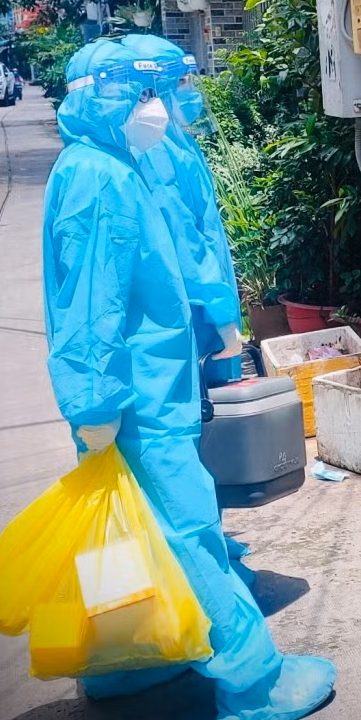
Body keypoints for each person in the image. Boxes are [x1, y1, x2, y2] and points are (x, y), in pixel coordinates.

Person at [42, 38, 335, 720]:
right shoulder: (100, 178)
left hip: (134, 389)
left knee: (127, 533)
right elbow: (90, 308)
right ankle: (254, 683)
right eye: (138, 95)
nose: (156, 109)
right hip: (136, 394)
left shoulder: (107, 165)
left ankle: (128, 660)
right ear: (101, 99)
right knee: (188, 532)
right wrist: (94, 403)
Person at [121, 33, 248, 565]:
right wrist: (222, 318)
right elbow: (190, 244)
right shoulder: (160, 151)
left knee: (186, 450)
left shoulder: (170, 142)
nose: (192, 91)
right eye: (183, 81)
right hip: (180, 322)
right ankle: (201, 568)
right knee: (175, 462)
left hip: (179, 323)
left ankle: (210, 548)